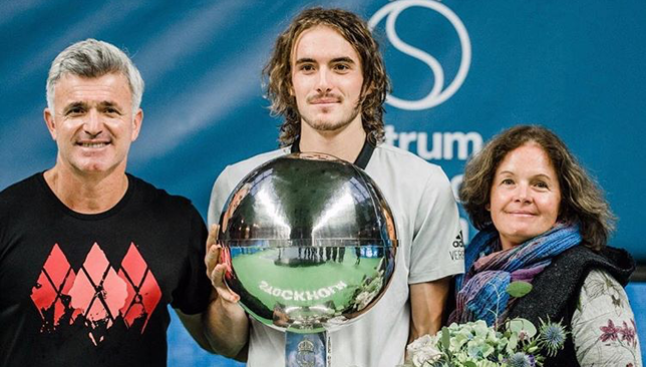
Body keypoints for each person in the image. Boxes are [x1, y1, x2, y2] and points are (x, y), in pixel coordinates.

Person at [205, 7, 464, 367]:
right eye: (307, 67)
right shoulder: (239, 185)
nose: (323, 83)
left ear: (369, 81)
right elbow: (228, 344)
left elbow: (426, 335)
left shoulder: (421, 184)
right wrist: (224, 299)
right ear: (289, 82)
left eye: (341, 66)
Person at [0, 39, 219, 366]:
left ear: (135, 123)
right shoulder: (6, 216)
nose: (92, 126)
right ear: (52, 123)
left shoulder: (177, 221)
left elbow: (219, 341)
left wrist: (228, 298)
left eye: (109, 109)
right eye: (76, 110)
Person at [450, 125, 642, 366]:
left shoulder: (592, 280)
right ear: (488, 197)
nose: (522, 195)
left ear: (563, 201)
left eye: (540, 184)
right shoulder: (462, 274)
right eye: (508, 181)